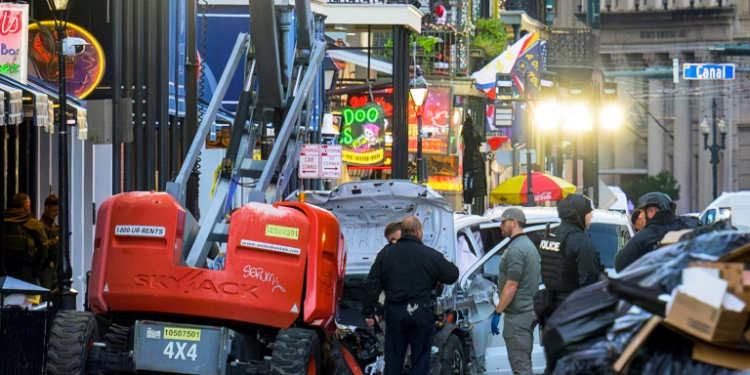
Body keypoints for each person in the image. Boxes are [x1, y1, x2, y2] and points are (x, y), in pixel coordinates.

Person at [363, 216, 459, 375]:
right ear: (419, 231)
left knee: (393, 361)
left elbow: (371, 285)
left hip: (395, 314)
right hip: (421, 313)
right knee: (420, 360)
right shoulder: (429, 254)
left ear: (402, 231)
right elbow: (452, 274)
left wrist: (370, 311)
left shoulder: (385, 254)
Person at [535, 194, 601, 322]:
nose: (591, 216)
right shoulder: (582, 243)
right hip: (573, 313)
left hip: (550, 308)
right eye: (588, 212)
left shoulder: (550, 235)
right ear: (579, 214)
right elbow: (589, 283)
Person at [490, 208, 540, 375]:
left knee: (521, 369)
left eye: (503, 222)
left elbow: (511, 286)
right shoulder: (527, 245)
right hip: (527, 313)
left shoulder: (517, 249)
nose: (501, 226)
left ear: (514, 223)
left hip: (518, 318)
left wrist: (498, 312)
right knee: (524, 364)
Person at [614, 192, 699, 272]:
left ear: (651, 212)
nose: (639, 216)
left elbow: (620, 265)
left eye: (641, 212)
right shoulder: (690, 226)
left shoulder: (644, 236)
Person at [2, 193, 53, 286]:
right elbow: (44, 245)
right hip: (27, 270)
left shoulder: (5, 222)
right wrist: (37, 265)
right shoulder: (32, 224)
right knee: (33, 296)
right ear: (26, 205)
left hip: (5, 268)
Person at [38, 194, 60, 290]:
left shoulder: (55, 227)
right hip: (44, 268)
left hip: (55, 267)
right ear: (46, 208)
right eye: (54, 210)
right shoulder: (39, 227)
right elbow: (42, 246)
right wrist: (56, 241)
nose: (56, 213)